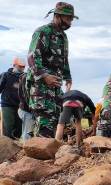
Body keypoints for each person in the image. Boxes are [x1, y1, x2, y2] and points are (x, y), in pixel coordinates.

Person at [27, 2, 76, 137]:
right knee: (44, 119)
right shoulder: (43, 32)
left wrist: (68, 76)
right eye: (67, 18)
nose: (70, 22)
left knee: (55, 117)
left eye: (71, 19)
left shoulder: (63, 36)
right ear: (57, 16)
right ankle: (38, 153)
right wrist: (45, 76)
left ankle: (47, 153)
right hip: (41, 85)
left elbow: (64, 59)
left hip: (55, 84)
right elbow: (32, 57)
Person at [0, 57, 25, 139]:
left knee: (19, 127)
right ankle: (6, 147)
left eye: (23, 67)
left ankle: (17, 148)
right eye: (20, 66)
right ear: (14, 65)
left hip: (20, 106)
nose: (22, 68)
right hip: (7, 104)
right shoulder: (5, 75)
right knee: (8, 127)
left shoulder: (25, 77)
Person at [18, 68, 34, 141]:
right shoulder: (26, 78)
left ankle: (24, 146)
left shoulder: (26, 77)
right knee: (27, 133)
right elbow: (26, 96)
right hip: (26, 110)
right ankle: (26, 149)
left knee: (26, 131)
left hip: (25, 109)